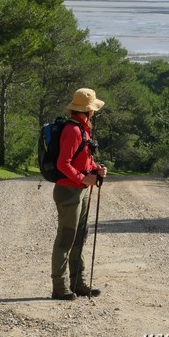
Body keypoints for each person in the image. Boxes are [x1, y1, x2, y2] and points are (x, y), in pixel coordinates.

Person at [51, 87, 107, 300]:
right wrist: (84, 178)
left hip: (80, 191)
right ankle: (60, 287)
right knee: (66, 239)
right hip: (68, 192)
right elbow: (63, 164)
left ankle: (78, 283)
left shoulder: (84, 129)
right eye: (93, 109)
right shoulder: (73, 130)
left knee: (79, 237)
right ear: (87, 110)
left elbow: (83, 161)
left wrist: (96, 170)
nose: (95, 112)